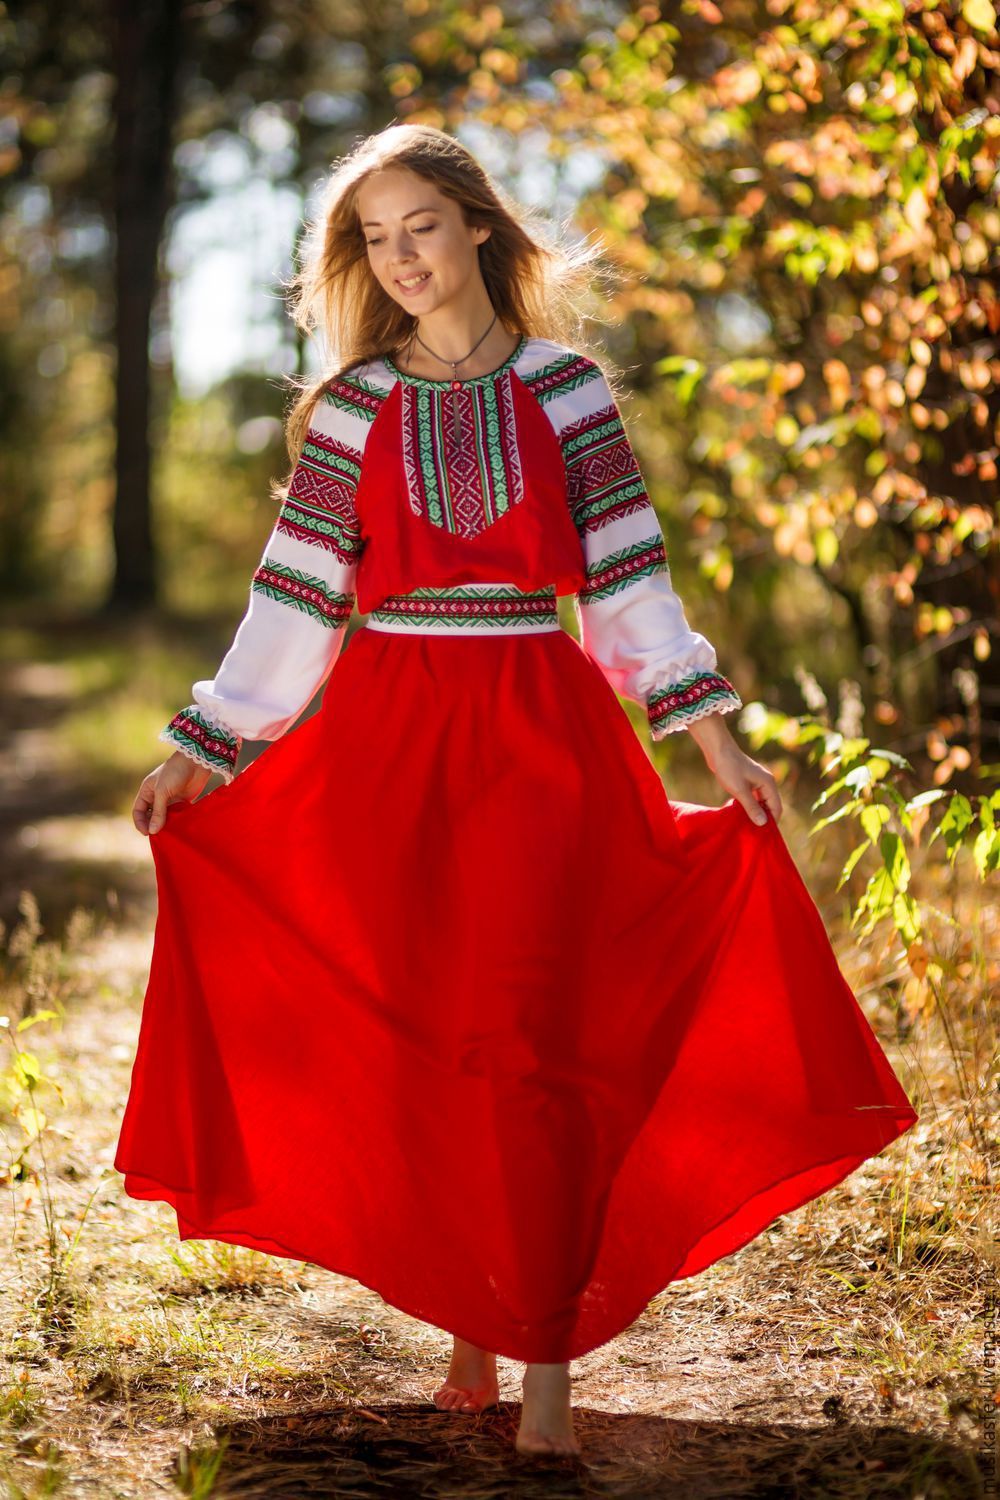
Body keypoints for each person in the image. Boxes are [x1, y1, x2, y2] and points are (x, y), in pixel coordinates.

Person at [119, 122, 919, 1459]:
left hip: (542, 738)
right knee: (433, 1026)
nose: (401, 256)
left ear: (479, 224)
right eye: (375, 238)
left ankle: (543, 1355)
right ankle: (470, 1330)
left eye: (421, 225)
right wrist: (208, 741)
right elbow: (301, 592)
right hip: (385, 742)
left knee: (533, 1035)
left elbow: (622, 579)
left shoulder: (569, 393)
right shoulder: (355, 407)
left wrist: (711, 736)